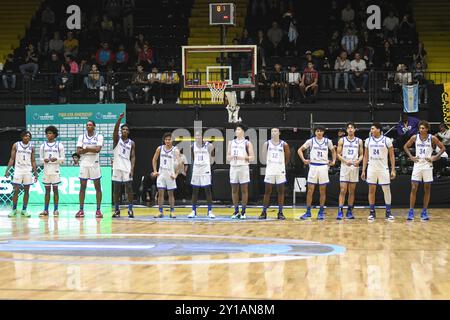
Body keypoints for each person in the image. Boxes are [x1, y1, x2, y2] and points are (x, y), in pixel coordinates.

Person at [403, 121, 445, 221]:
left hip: (427, 165)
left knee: (427, 188)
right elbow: (405, 146)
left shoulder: (432, 138)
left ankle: (424, 211)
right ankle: (411, 211)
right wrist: (411, 157)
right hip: (417, 164)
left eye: (422, 128)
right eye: (420, 128)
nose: (421, 129)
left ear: (427, 129)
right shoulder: (414, 137)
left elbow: (443, 148)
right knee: (414, 188)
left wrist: (435, 157)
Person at [298, 126, 336, 220]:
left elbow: (333, 151)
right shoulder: (310, 141)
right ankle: (308, 212)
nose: (319, 132)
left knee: (322, 191)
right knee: (310, 191)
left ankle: (321, 212)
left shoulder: (328, 141)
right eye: (317, 131)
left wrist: (334, 161)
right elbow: (299, 150)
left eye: (321, 131)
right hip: (313, 166)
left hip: (323, 166)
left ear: (323, 132)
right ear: (315, 132)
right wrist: (303, 160)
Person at [361, 122, 396, 221]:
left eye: (373, 129)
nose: (371, 130)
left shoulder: (387, 140)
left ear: (378, 129)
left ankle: (388, 212)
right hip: (371, 168)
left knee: (386, 190)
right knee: (371, 190)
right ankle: (372, 212)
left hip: (383, 169)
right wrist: (363, 170)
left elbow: (392, 155)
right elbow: (365, 156)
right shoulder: (368, 141)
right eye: (371, 129)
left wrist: (393, 169)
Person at [4, 131, 38, 217]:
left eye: (29, 136)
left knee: (27, 191)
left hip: (28, 170)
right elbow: (12, 159)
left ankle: (24, 210)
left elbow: (33, 160)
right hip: (18, 170)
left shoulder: (32, 147)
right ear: (22, 137)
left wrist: (35, 173)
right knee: (16, 190)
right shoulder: (16, 145)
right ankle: (14, 209)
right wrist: (7, 170)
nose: (27, 137)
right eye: (26, 136)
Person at [259, 128, 290, 220]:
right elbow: (263, 156)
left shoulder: (284, 144)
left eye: (276, 131)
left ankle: (280, 212)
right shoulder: (267, 143)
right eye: (272, 131)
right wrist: (270, 164)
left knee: (281, 192)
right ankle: (264, 212)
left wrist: (283, 165)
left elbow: (288, 157)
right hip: (270, 170)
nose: (274, 132)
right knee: (267, 192)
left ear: (279, 133)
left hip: (280, 170)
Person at [75, 120, 104, 218]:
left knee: (98, 188)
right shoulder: (81, 136)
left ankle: (98, 210)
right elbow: (78, 151)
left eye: (90, 125)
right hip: (84, 163)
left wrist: (86, 148)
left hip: (95, 164)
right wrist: (89, 149)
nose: (88, 126)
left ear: (94, 127)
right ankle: (81, 210)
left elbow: (98, 150)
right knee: (82, 188)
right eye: (87, 125)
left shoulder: (99, 136)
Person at [151, 133, 183, 218]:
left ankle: (172, 211)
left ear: (172, 140)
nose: (167, 141)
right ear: (164, 140)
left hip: (170, 174)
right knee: (160, 193)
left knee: (170, 194)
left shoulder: (175, 150)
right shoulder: (159, 148)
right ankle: (160, 211)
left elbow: (180, 162)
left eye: (169, 139)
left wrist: (176, 174)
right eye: (166, 139)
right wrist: (155, 171)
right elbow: (154, 159)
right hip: (161, 173)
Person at [227, 123, 255, 219]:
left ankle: (243, 211)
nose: (236, 131)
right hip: (234, 167)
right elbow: (227, 157)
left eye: (238, 129)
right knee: (234, 190)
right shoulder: (231, 142)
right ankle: (236, 211)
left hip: (243, 167)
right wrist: (232, 157)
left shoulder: (247, 143)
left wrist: (241, 157)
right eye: (236, 130)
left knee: (244, 190)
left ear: (243, 131)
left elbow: (252, 158)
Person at [336, 122, 363, 220]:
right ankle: (340, 211)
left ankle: (349, 211)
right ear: (346, 130)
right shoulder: (342, 140)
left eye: (352, 128)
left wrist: (358, 161)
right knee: (343, 190)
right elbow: (338, 154)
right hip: (345, 166)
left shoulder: (359, 141)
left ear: (355, 129)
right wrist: (345, 161)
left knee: (352, 191)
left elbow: (361, 154)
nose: (350, 129)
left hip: (354, 167)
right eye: (349, 128)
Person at [112, 113, 136, 218]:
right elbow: (114, 131)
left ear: (128, 131)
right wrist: (119, 119)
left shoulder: (132, 143)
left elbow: (133, 156)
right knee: (116, 190)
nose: (124, 131)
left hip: (127, 167)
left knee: (129, 188)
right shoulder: (117, 140)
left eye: (126, 129)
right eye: (123, 129)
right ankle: (117, 210)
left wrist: (132, 169)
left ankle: (130, 209)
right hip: (117, 166)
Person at [38, 126, 65, 217]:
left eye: (50, 133)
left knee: (55, 190)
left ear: (54, 134)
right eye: (47, 133)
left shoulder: (59, 145)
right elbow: (40, 159)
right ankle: (46, 210)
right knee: (47, 191)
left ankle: (56, 210)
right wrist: (44, 160)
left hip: (55, 170)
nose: (48, 135)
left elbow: (62, 159)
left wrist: (56, 159)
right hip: (46, 170)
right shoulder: (43, 145)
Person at [188, 131, 215, 219]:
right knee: (195, 191)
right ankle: (193, 211)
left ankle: (210, 211)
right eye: (196, 136)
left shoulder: (209, 145)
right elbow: (193, 158)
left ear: (202, 137)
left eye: (199, 135)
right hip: (196, 170)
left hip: (205, 169)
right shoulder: (192, 146)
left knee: (207, 190)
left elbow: (213, 156)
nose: (197, 137)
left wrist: (208, 164)